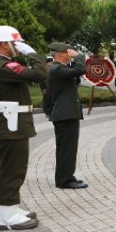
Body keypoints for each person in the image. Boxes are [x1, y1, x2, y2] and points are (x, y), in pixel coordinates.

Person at [0, 25, 47, 231]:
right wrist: (33, 54)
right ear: (4, 44)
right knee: (11, 170)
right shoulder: (0, 66)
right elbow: (38, 73)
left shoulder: (2, 65)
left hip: (12, 123)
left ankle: (9, 208)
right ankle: (7, 216)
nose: (19, 48)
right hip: (10, 125)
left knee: (10, 169)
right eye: (16, 43)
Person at [47, 43, 88, 189]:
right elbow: (80, 69)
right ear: (59, 54)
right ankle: (64, 180)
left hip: (67, 114)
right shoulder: (56, 68)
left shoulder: (60, 68)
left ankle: (67, 176)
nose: (71, 53)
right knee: (66, 149)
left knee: (68, 149)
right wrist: (79, 57)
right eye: (67, 51)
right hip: (64, 115)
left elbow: (75, 75)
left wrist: (74, 61)